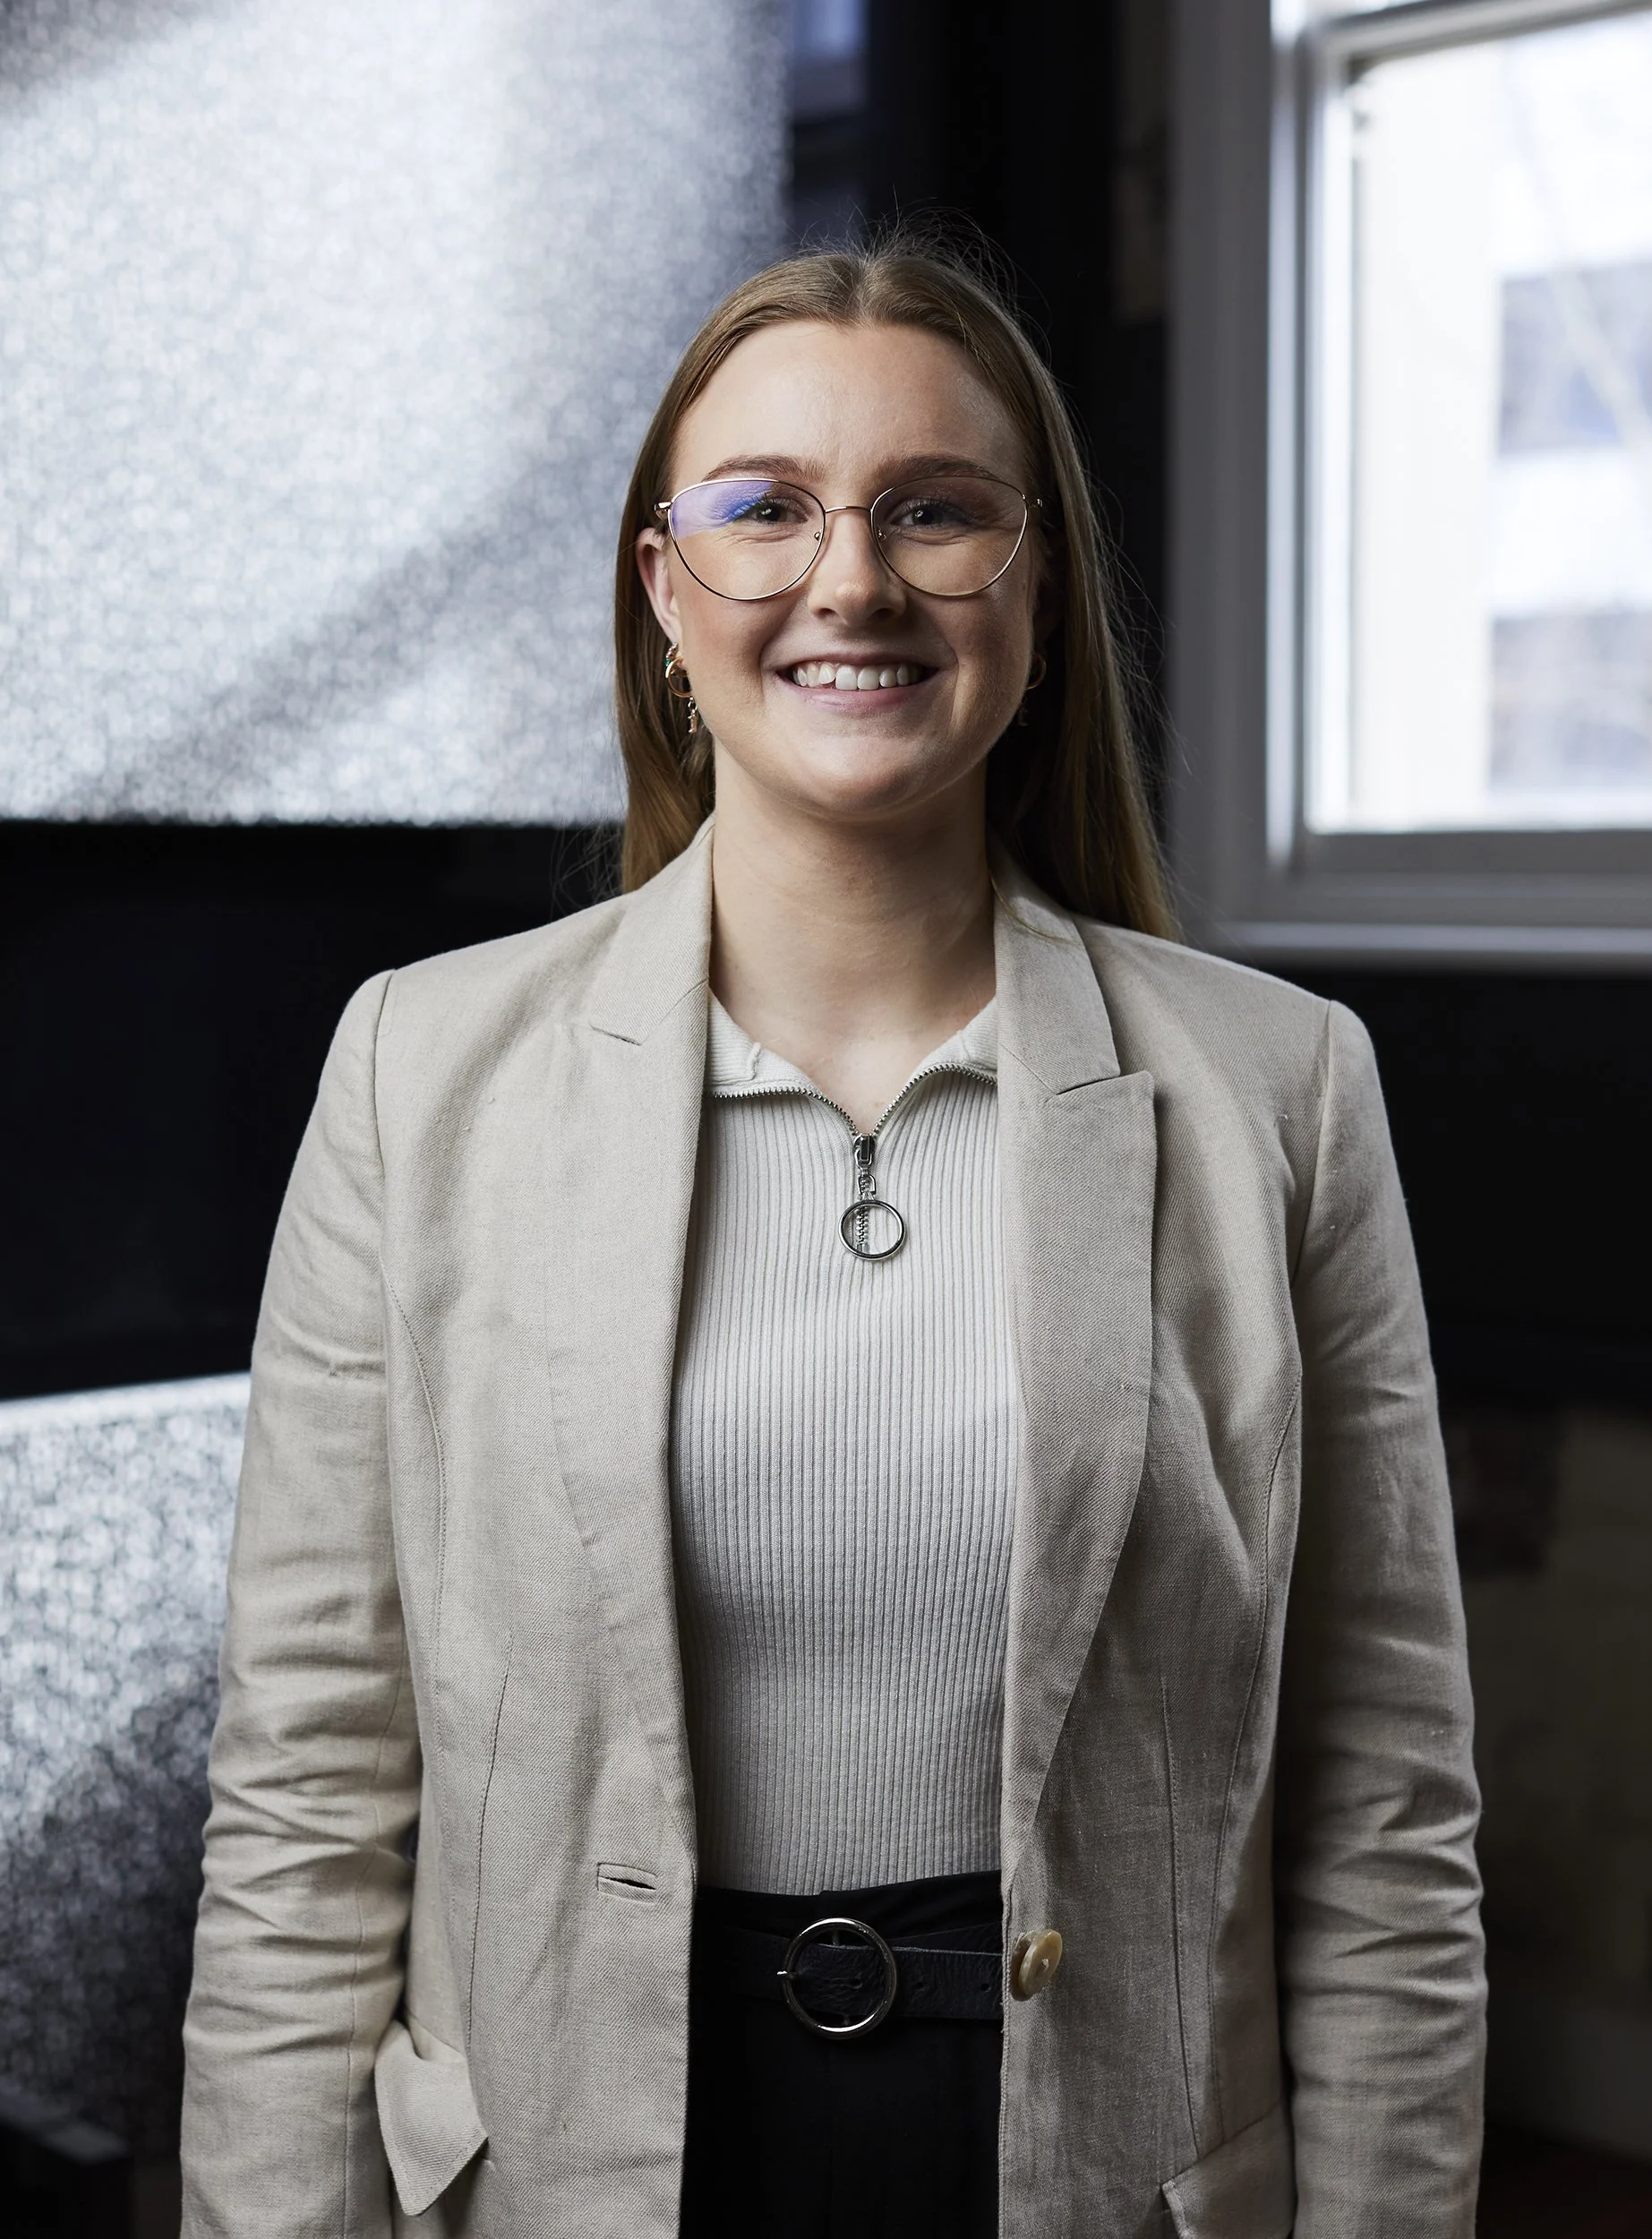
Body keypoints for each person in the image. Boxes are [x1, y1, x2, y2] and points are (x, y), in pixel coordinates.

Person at [180, 236, 1485, 2239]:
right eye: (764, 507)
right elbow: (309, 1797)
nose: (851, 578)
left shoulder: (1282, 1092)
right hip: (578, 2162)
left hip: (1085, 2171)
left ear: (1031, 592)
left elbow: (1382, 1813)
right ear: (663, 591)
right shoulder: (416, 1071)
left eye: (935, 511)